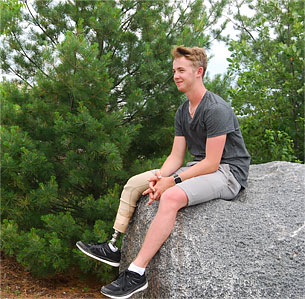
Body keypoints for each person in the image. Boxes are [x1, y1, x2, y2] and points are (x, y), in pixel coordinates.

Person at [76, 45, 251, 299]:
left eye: (181, 70)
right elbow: (176, 157)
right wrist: (160, 176)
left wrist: (173, 181)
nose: (176, 75)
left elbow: (213, 163)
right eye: (174, 71)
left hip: (227, 172)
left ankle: (136, 273)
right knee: (136, 183)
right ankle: (114, 246)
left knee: (171, 197)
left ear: (198, 72)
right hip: (198, 167)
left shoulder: (216, 109)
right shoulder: (183, 111)